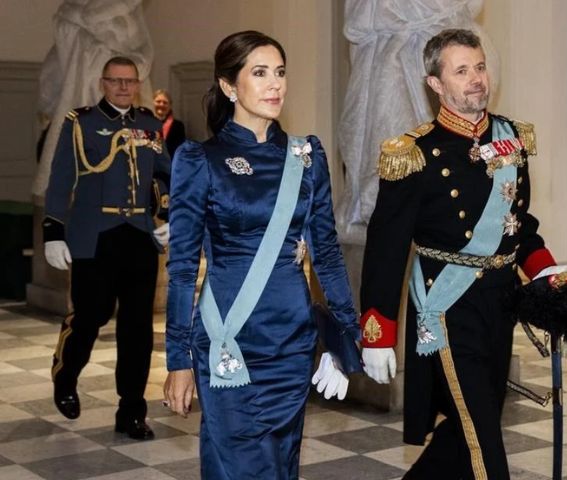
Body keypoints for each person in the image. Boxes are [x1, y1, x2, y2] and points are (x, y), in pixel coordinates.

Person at [360, 29, 567, 480]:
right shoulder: (414, 154)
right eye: (461, 71)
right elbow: (385, 250)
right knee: (482, 440)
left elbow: (517, 225)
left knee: (468, 426)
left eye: (479, 67)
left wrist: (545, 269)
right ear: (435, 84)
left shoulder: (511, 137)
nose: (476, 79)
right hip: (447, 307)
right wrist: (377, 333)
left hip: (500, 303)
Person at [162, 30, 365, 479]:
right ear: (229, 86)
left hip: (292, 344)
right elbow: (182, 270)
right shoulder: (200, 159)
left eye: (280, 72)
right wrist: (178, 359)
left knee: (279, 465)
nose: (275, 84)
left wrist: (344, 337)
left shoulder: (306, 156)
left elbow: (327, 253)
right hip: (229, 341)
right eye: (259, 73)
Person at [43, 56, 171, 440]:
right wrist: (53, 231)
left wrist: (169, 214)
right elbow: (61, 177)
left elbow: (164, 173)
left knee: (137, 328)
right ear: (103, 83)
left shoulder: (150, 124)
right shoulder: (81, 122)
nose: (123, 87)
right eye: (115, 81)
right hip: (95, 235)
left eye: (129, 81)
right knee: (91, 316)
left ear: (138, 84)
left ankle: (131, 411)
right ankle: (65, 373)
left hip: (139, 235)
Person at [153, 89, 186, 157]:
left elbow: (180, 150)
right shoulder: (146, 123)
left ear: (170, 105)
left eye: (165, 102)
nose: (161, 105)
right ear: (153, 102)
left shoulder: (178, 126)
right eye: (158, 101)